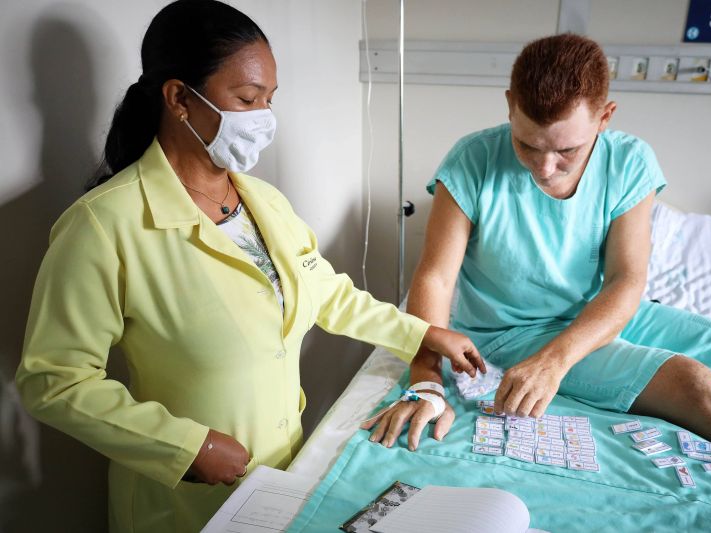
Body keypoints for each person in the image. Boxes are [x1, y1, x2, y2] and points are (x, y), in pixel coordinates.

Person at [15, 1, 485, 531]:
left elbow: (325, 292)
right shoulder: (105, 225)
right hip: (183, 500)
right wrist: (186, 447)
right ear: (179, 99)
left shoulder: (263, 202)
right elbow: (55, 380)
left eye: (269, 99)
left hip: (280, 475)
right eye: (246, 98)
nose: (263, 117)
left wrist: (422, 333)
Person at [363, 33, 711, 469]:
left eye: (567, 150)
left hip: (603, 313)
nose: (544, 167)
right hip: (513, 331)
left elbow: (627, 281)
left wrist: (554, 363)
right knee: (693, 383)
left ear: (605, 117)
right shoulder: (470, 161)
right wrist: (426, 383)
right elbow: (435, 278)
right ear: (510, 104)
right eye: (526, 145)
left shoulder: (630, 162)